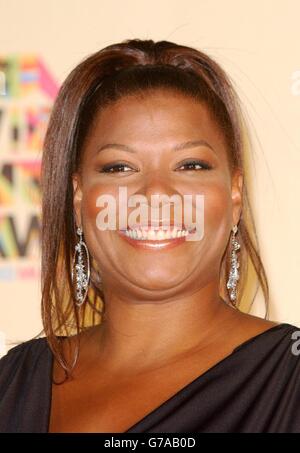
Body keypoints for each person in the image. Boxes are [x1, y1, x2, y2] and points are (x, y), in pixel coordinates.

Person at [0, 38, 300, 433]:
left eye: (191, 164)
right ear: (78, 197)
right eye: (119, 168)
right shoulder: (13, 382)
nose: (156, 194)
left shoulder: (288, 379)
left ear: (235, 195)